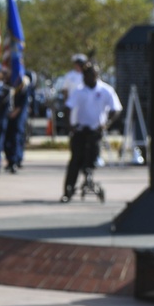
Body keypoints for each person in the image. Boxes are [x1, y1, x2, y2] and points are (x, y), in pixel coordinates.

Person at [61, 62, 122, 202]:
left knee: (91, 160)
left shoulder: (105, 90)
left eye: (92, 75)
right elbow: (68, 108)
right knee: (75, 161)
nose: (89, 77)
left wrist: (107, 124)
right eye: (86, 75)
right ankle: (68, 190)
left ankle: (89, 182)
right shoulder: (79, 91)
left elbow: (116, 109)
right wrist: (70, 126)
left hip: (95, 131)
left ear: (96, 75)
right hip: (81, 130)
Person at [5, 74, 31, 173]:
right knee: (8, 140)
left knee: (16, 138)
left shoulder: (24, 86)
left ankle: (15, 161)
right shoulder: (8, 84)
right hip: (8, 116)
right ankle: (10, 160)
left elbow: (23, 103)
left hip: (18, 118)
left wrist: (15, 112)